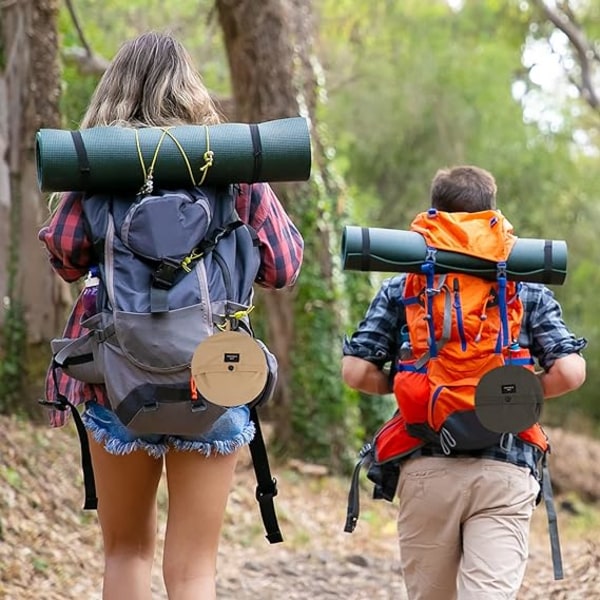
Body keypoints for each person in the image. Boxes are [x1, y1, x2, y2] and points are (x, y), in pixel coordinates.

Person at [39, 32, 304, 600]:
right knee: (193, 570)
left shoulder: (99, 173)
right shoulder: (232, 171)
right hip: (215, 372)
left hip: (116, 381)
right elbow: (283, 266)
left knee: (126, 552)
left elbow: (62, 256)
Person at [342, 165, 586, 600]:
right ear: (492, 212)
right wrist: (516, 396)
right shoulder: (524, 287)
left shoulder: (406, 285)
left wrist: (405, 383)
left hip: (426, 464)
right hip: (506, 465)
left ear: (434, 214)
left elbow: (356, 371)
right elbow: (570, 371)